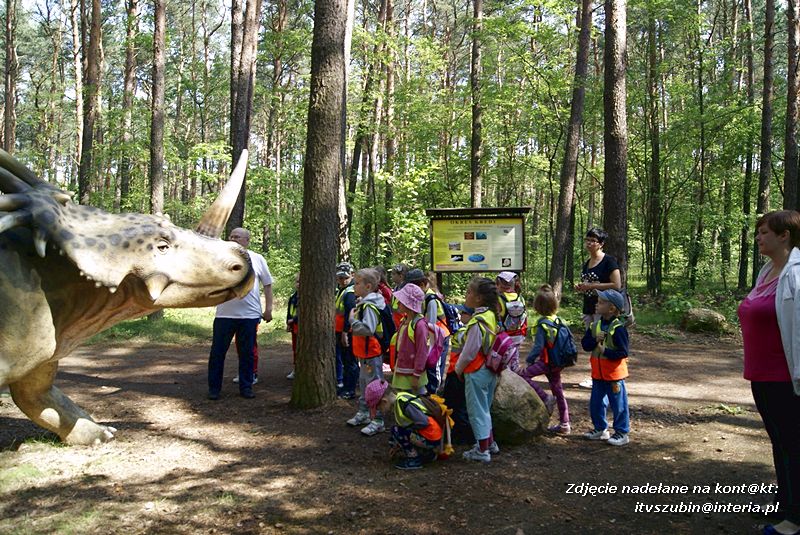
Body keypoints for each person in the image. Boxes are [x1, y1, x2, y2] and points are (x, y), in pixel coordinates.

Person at [738, 210, 800, 535]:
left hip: (785, 378)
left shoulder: (796, 275)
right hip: (761, 376)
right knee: (780, 441)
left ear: (784, 235)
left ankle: (794, 521)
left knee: (792, 443)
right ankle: (786, 501)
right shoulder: (768, 272)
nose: (759, 238)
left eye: (764, 232)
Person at [207, 228, 274, 400]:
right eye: (231, 236)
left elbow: (267, 284)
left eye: (237, 237)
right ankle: (214, 389)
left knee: (247, 353)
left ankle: (246, 387)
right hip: (224, 315)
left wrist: (268, 309)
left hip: (249, 315)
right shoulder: (219, 259)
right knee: (217, 353)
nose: (233, 239)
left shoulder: (257, 259)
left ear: (247, 240)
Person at [455, 277, 500, 463]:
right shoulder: (491, 315)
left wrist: (458, 369)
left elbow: (469, 352)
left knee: (476, 410)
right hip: (490, 369)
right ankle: (488, 442)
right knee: (485, 407)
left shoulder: (477, 322)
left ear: (479, 298)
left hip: (476, 370)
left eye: (469, 292)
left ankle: (482, 451)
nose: (466, 295)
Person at [518, 284, 571, 434]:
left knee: (524, 375)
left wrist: (529, 361)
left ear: (537, 306)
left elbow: (538, 347)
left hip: (546, 362)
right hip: (558, 362)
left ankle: (545, 397)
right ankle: (565, 423)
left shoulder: (542, 324)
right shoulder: (558, 320)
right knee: (558, 391)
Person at [581, 289, 630, 446]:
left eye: (601, 302)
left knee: (619, 404)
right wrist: (595, 340)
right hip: (597, 375)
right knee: (596, 403)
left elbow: (623, 352)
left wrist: (606, 352)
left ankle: (622, 432)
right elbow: (585, 345)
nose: (597, 304)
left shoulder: (619, 328)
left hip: (614, 376)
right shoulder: (595, 325)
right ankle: (600, 429)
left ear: (611, 309)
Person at [575, 227, 622, 389]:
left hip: (603, 308)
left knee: (601, 340)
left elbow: (617, 285)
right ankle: (596, 374)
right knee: (592, 341)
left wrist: (594, 285)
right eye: (587, 240)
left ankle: (602, 376)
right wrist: (581, 287)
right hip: (589, 306)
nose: (588, 244)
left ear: (601, 244)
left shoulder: (609, 261)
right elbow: (588, 284)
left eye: (592, 241)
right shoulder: (587, 263)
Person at [365, 379, 442, 470]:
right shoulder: (401, 398)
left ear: (384, 401)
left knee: (399, 431)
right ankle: (427, 454)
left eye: (378, 408)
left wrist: (408, 429)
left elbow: (423, 422)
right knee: (399, 430)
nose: (380, 411)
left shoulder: (404, 404)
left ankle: (414, 459)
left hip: (432, 437)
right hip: (431, 435)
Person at [346, 268, 387, 436]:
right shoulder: (363, 303)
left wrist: (351, 321)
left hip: (372, 353)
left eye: (357, 283)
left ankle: (378, 419)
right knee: (364, 384)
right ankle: (364, 413)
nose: (354, 286)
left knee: (375, 386)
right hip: (364, 353)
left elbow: (368, 329)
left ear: (368, 286)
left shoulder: (370, 306)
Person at [406, 268, 451, 393]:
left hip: (438, 339)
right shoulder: (423, 297)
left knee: (434, 366)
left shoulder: (431, 300)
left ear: (421, 285)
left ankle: (434, 394)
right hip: (430, 338)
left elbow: (431, 325)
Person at [442, 304, 475, 444]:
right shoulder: (467, 330)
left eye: (464, 313)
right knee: (457, 404)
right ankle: (458, 432)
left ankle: (463, 435)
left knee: (458, 405)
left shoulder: (465, 331)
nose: (461, 315)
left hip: (457, 373)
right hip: (457, 371)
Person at [390, 283, 430, 395]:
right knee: (403, 401)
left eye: (401, 301)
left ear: (409, 304)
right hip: (402, 371)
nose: (397, 303)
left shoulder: (419, 324)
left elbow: (422, 351)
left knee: (417, 402)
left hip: (413, 374)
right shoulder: (405, 321)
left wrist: (417, 374)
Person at [335, 262, 358, 399]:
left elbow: (350, 313)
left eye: (345, 277)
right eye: (340, 278)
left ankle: (350, 389)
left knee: (350, 362)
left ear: (352, 275)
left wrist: (345, 332)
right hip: (339, 331)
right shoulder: (342, 290)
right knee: (345, 360)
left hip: (347, 332)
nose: (342, 280)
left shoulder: (349, 292)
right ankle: (346, 387)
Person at [496, 271, 528, 348]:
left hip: (503, 336)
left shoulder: (498, 299)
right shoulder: (520, 298)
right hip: (518, 335)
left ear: (499, 284)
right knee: (513, 356)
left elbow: (496, 316)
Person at [285, 273, 299, 380]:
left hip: (301, 326)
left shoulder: (307, 296)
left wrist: (294, 320)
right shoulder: (293, 296)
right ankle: (296, 369)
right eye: (297, 281)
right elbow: (289, 311)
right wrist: (288, 323)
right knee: (295, 349)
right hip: (294, 326)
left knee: (301, 348)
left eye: (300, 282)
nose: (298, 284)